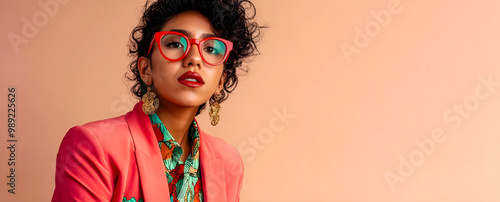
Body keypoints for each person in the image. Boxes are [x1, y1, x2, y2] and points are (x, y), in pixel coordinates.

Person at [52, 0, 263, 201]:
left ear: (221, 81)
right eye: (175, 43)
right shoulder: (93, 146)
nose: (194, 58)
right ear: (146, 69)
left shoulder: (228, 162)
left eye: (211, 49)